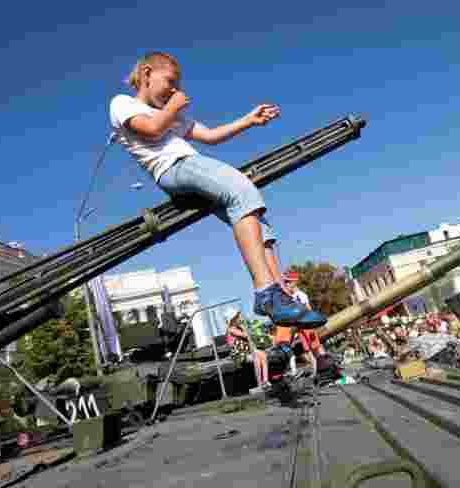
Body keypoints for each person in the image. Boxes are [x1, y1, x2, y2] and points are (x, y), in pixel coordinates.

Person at [109, 52, 323, 329]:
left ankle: (279, 294)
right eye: (170, 81)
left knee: (255, 217)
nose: (174, 89)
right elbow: (150, 129)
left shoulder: (169, 114)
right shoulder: (123, 103)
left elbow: (211, 136)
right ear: (147, 74)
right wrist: (173, 108)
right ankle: (265, 291)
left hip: (191, 169)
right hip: (175, 168)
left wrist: (248, 120)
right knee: (241, 189)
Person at [227, 312, 269, 392]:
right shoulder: (231, 329)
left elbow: (249, 339)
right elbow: (246, 335)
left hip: (246, 351)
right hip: (239, 354)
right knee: (257, 358)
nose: (239, 319)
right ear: (233, 320)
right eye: (237, 318)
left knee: (263, 355)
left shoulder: (238, 327)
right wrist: (245, 327)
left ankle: (265, 380)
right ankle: (259, 383)